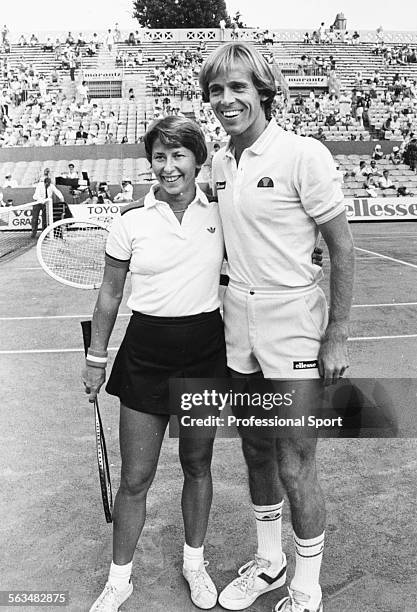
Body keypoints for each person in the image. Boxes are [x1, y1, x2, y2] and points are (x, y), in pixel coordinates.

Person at [199, 42, 354, 612]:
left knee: (295, 461)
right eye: (217, 90)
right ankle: (269, 563)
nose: (226, 99)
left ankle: (307, 589)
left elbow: (341, 246)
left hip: (293, 321)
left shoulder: (302, 154)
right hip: (237, 320)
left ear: (264, 91)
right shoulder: (219, 162)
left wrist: (336, 331)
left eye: (238, 87)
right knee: (256, 452)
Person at [83, 116, 227, 612]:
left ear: (197, 160)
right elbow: (108, 296)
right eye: (159, 157)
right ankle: (119, 579)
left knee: (197, 464)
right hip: (145, 353)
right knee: (135, 478)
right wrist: (95, 359)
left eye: (179, 155)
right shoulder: (130, 221)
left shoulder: (221, 214)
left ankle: (195, 563)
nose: (168, 168)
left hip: (206, 350)